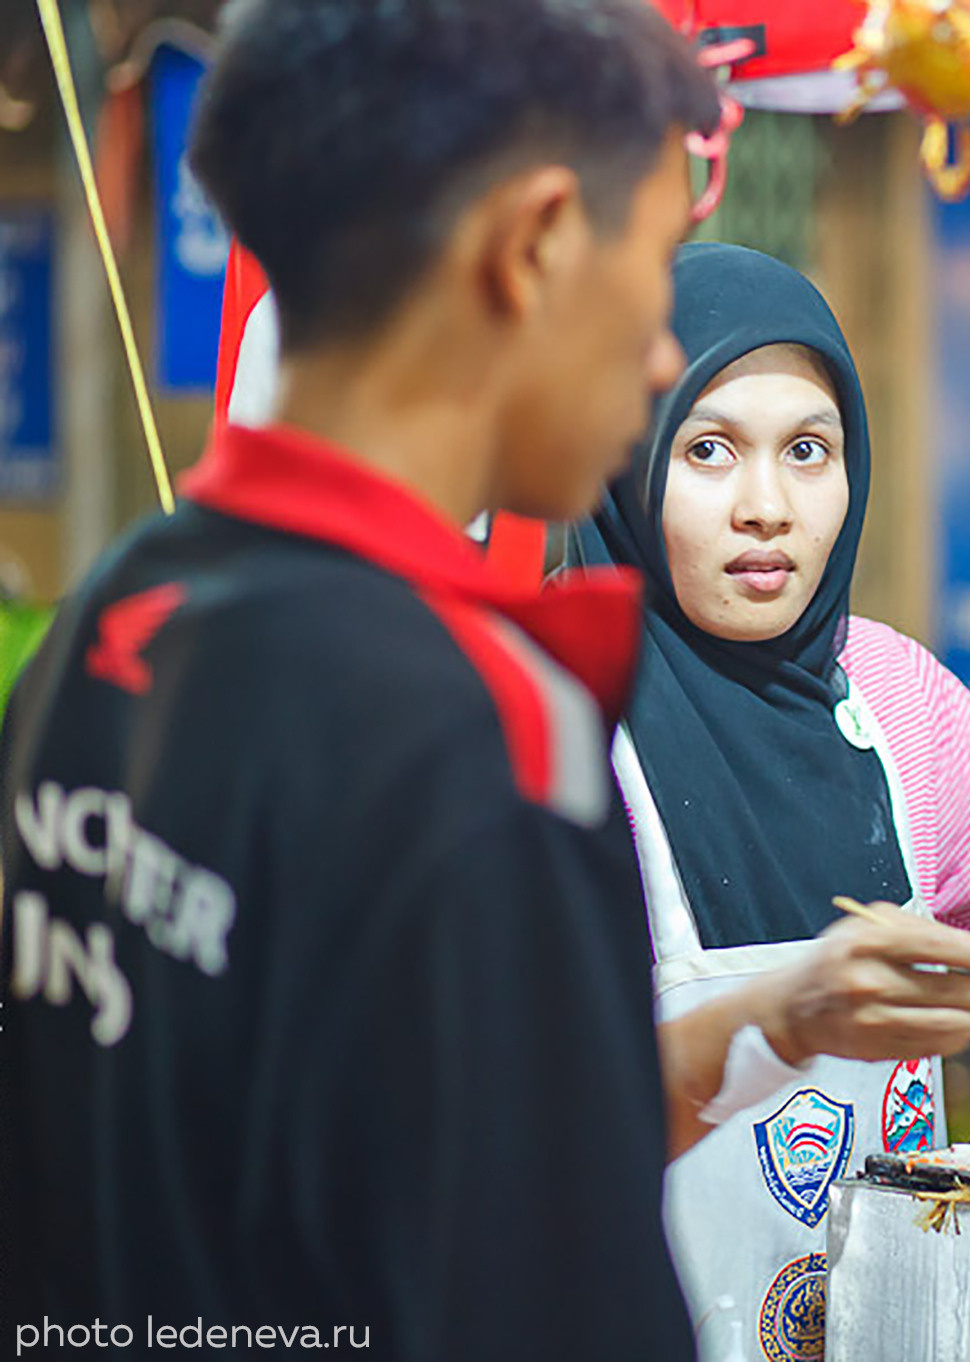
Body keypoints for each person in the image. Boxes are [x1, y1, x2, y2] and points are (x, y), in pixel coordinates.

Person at [0, 1, 719, 1355]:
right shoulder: (481, 732)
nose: (665, 352)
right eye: (662, 265)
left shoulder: (114, 614)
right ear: (538, 242)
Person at [567, 243, 970, 1344]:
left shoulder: (891, 695)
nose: (767, 505)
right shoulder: (555, 706)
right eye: (710, 449)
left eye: (808, 449)